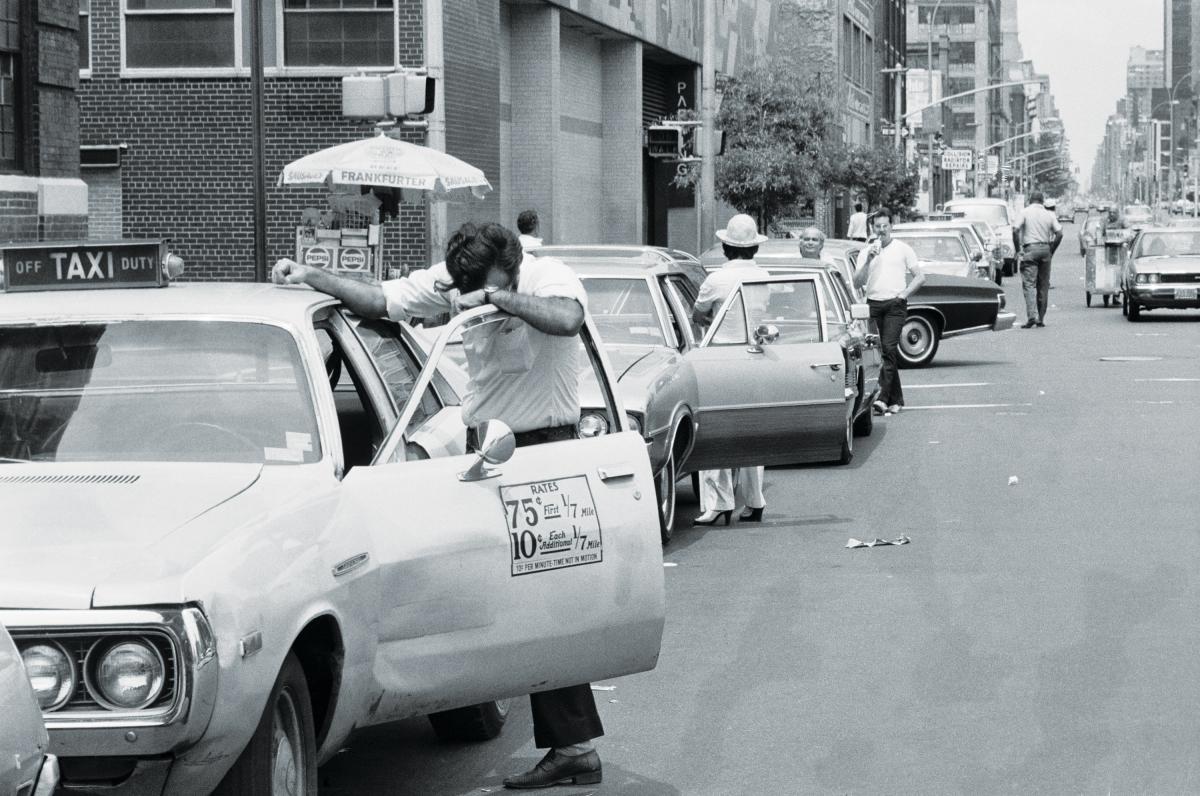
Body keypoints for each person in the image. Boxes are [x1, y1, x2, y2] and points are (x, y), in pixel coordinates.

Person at [272, 223, 607, 791]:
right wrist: (309, 275)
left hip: (542, 452)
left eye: (485, 281)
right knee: (490, 594)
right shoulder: (457, 280)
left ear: (512, 267)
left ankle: (574, 746)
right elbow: (380, 299)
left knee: (544, 602)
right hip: (488, 451)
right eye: (464, 281)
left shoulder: (549, 278)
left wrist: (495, 300)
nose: (467, 288)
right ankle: (553, 737)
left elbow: (568, 319)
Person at [690, 214, 770, 526]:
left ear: (726, 247)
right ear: (754, 249)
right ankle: (754, 500)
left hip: (720, 359)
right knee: (752, 431)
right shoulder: (763, 276)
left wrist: (713, 323)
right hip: (754, 356)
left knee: (715, 432)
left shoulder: (715, 280)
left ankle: (718, 502)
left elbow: (698, 314)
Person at [853, 208, 925, 416]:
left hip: (895, 304)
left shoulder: (902, 249)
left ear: (891, 226)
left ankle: (882, 398)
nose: (881, 230)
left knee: (889, 348)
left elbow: (920, 277)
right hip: (873, 304)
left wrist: (903, 294)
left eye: (885, 226)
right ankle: (897, 399)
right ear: (872, 228)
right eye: (877, 227)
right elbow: (858, 282)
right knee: (881, 353)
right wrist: (868, 260)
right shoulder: (866, 251)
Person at [1013, 191, 1063, 328]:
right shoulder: (1049, 214)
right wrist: (1051, 250)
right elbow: (1059, 233)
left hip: (1030, 249)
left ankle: (1032, 316)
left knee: (1029, 284)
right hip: (1045, 249)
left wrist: (1018, 250)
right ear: (1042, 201)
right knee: (1043, 285)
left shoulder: (1024, 212)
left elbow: (1015, 230)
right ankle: (1041, 318)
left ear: (1030, 200)